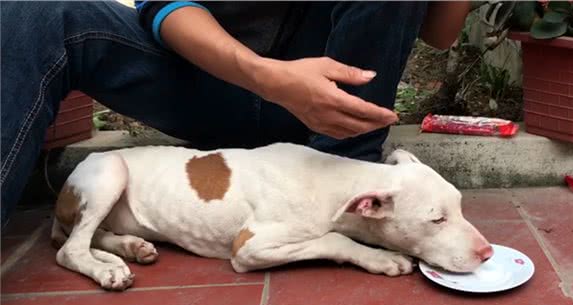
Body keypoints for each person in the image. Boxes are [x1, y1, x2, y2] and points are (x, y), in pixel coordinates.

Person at [0, 1, 470, 226]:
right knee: (39, 11)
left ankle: (346, 188)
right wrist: (267, 77)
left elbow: (440, 34)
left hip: (327, 117)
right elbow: (164, 6)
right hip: (204, 83)